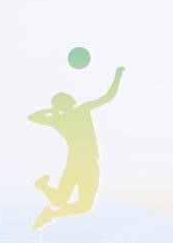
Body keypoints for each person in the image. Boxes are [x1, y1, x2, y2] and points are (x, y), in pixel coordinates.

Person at [28, 66, 124, 230]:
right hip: (84, 163)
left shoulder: (59, 119)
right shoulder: (79, 112)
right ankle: (46, 198)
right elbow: (108, 96)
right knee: (80, 205)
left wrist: (53, 110)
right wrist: (117, 76)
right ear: (70, 102)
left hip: (80, 162)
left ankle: (48, 204)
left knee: (67, 202)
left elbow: (33, 117)